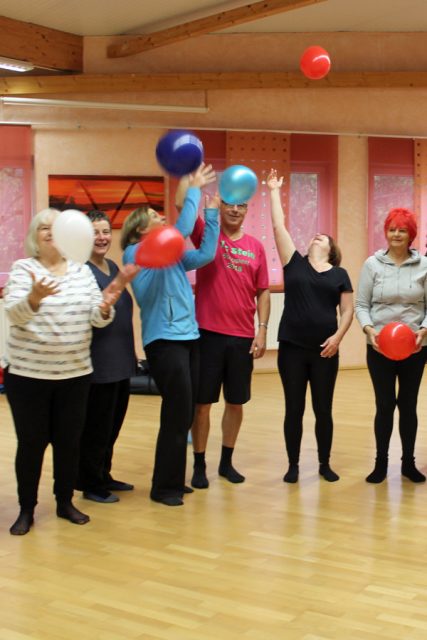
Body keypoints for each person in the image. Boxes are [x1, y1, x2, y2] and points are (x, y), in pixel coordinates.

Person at [3, 208, 116, 535]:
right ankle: (27, 509)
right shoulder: (23, 269)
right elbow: (14, 314)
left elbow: (96, 318)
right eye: (44, 228)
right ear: (34, 237)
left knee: (69, 443)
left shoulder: (82, 272)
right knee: (31, 444)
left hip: (75, 375)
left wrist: (105, 308)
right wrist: (35, 298)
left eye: (57, 228)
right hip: (28, 377)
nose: (51, 232)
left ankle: (65, 501)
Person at [122, 163, 219, 506]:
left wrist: (211, 212)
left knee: (184, 411)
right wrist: (192, 190)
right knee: (177, 412)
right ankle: (164, 487)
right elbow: (177, 235)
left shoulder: (172, 257)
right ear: (138, 230)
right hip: (164, 341)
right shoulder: (137, 252)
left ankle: (173, 480)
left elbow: (207, 253)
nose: (161, 217)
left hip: (188, 337)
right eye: (153, 215)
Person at [267, 169, 353, 483]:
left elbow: (347, 311)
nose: (315, 237)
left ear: (330, 248)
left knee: (322, 409)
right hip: (291, 348)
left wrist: (338, 338)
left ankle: (324, 464)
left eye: (322, 237)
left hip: (324, 351)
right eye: (314, 236)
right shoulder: (295, 263)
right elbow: (278, 226)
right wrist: (274, 190)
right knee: (294, 408)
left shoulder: (339, 274)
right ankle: (292, 465)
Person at [188, 184, 270, 489]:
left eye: (241, 205)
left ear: (247, 210)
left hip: (241, 337)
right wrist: (193, 183)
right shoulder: (208, 236)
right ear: (219, 207)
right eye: (228, 204)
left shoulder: (256, 247)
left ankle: (226, 462)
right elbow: (183, 208)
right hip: (206, 334)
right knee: (202, 404)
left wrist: (262, 330)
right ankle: (199, 464)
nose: (235, 209)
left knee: (236, 403)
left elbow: (263, 291)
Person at [355, 207, 427, 483]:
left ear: (411, 235)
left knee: (408, 405)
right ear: (386, 232)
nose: (396, 234)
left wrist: (423, 330)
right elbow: (362, 305)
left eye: (402, 230)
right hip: (379, 347)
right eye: (392, 229)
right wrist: (369, 329)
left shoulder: (424, 265)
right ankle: (380, 464)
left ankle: (408, 463)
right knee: (384, 405)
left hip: (416, 348)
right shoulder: (372, 264)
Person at [77, 210, 137, 504]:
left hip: (121, 361)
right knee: (96, 427)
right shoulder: (80, 271)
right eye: (94, 233)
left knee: (113, 425)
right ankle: (91, 483)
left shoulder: (113, 266)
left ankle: (104, 474)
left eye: (105, 232)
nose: (101, 238)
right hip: (98, 364)